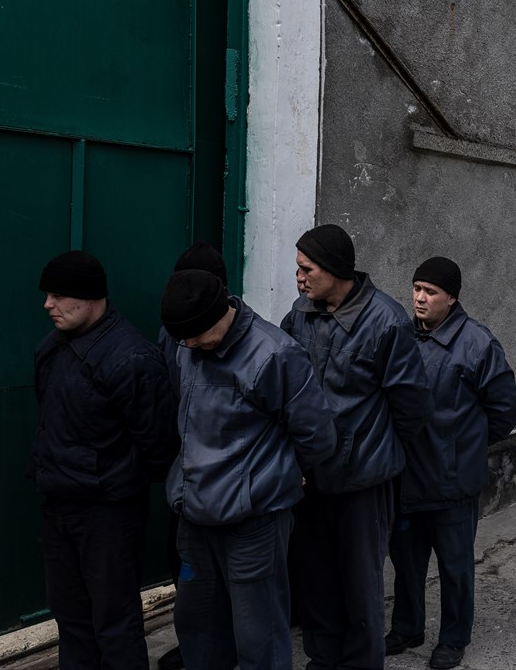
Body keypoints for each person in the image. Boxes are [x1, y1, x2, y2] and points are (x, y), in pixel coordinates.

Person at [161, 269, 337, 670]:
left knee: (260, 639)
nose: (185, 345)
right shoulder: (187, 347)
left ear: (218, 314)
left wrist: (280, 477)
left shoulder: (274, 354)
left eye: (192, 335)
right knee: (198, 630)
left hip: (252, 524)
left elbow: (317, 435)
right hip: (195, 520)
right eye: (180, 338)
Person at [281, 223, 433, 670]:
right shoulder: (300, 312)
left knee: (360, 584)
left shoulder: (385, 321)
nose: (299, 279)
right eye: (298, 269)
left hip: (363, 481)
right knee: (315, 578)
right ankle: (323, 659)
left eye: (307, 269)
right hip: (310, 477)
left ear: (333, 269)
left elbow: (412, 406)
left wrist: (372, 448)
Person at [28, 250, 178, 669]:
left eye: (58, 296)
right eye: (47, 295)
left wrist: (110, 481)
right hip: (59, 504)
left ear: (91, 297)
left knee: (115, 623)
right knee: (72, 621)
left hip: (108, 513)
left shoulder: (131, 358)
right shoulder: (52, 348)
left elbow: (160, 444)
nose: (48, 305)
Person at [386, 257, 516, 670]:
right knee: (406, 563)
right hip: (407, 478)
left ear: (452, 297)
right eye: (416, 288)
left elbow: (505, 408)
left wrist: (464, 446)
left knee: (455, 567)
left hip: (452, 483)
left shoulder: (477, 344)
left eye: (430, 291)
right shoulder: (402, 336)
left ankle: (453, 638)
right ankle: (407, 628)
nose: (420, 297)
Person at [156, 241, 229, 670]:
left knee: (217, 569)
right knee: (181, 560)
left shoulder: (236, 336)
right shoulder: (172, 330)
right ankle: (197, 644)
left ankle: (218, 644)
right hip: (182, 464)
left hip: (217, 469)